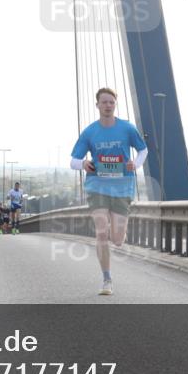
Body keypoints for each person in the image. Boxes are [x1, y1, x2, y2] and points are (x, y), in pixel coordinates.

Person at [69, 88, 148, 295]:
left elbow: (143, 149)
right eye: (104, 102)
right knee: (101, 232)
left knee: (117, 239)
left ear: (115, 104)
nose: (107, 105)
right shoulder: (89, 131)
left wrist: (136, 164)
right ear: (97, 105)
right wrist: (84, 163)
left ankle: (120, 232)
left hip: (122, 188)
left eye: (111, 102)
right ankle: (107, 279)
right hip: (97, 187)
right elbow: (73, 161)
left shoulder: (127, 128)